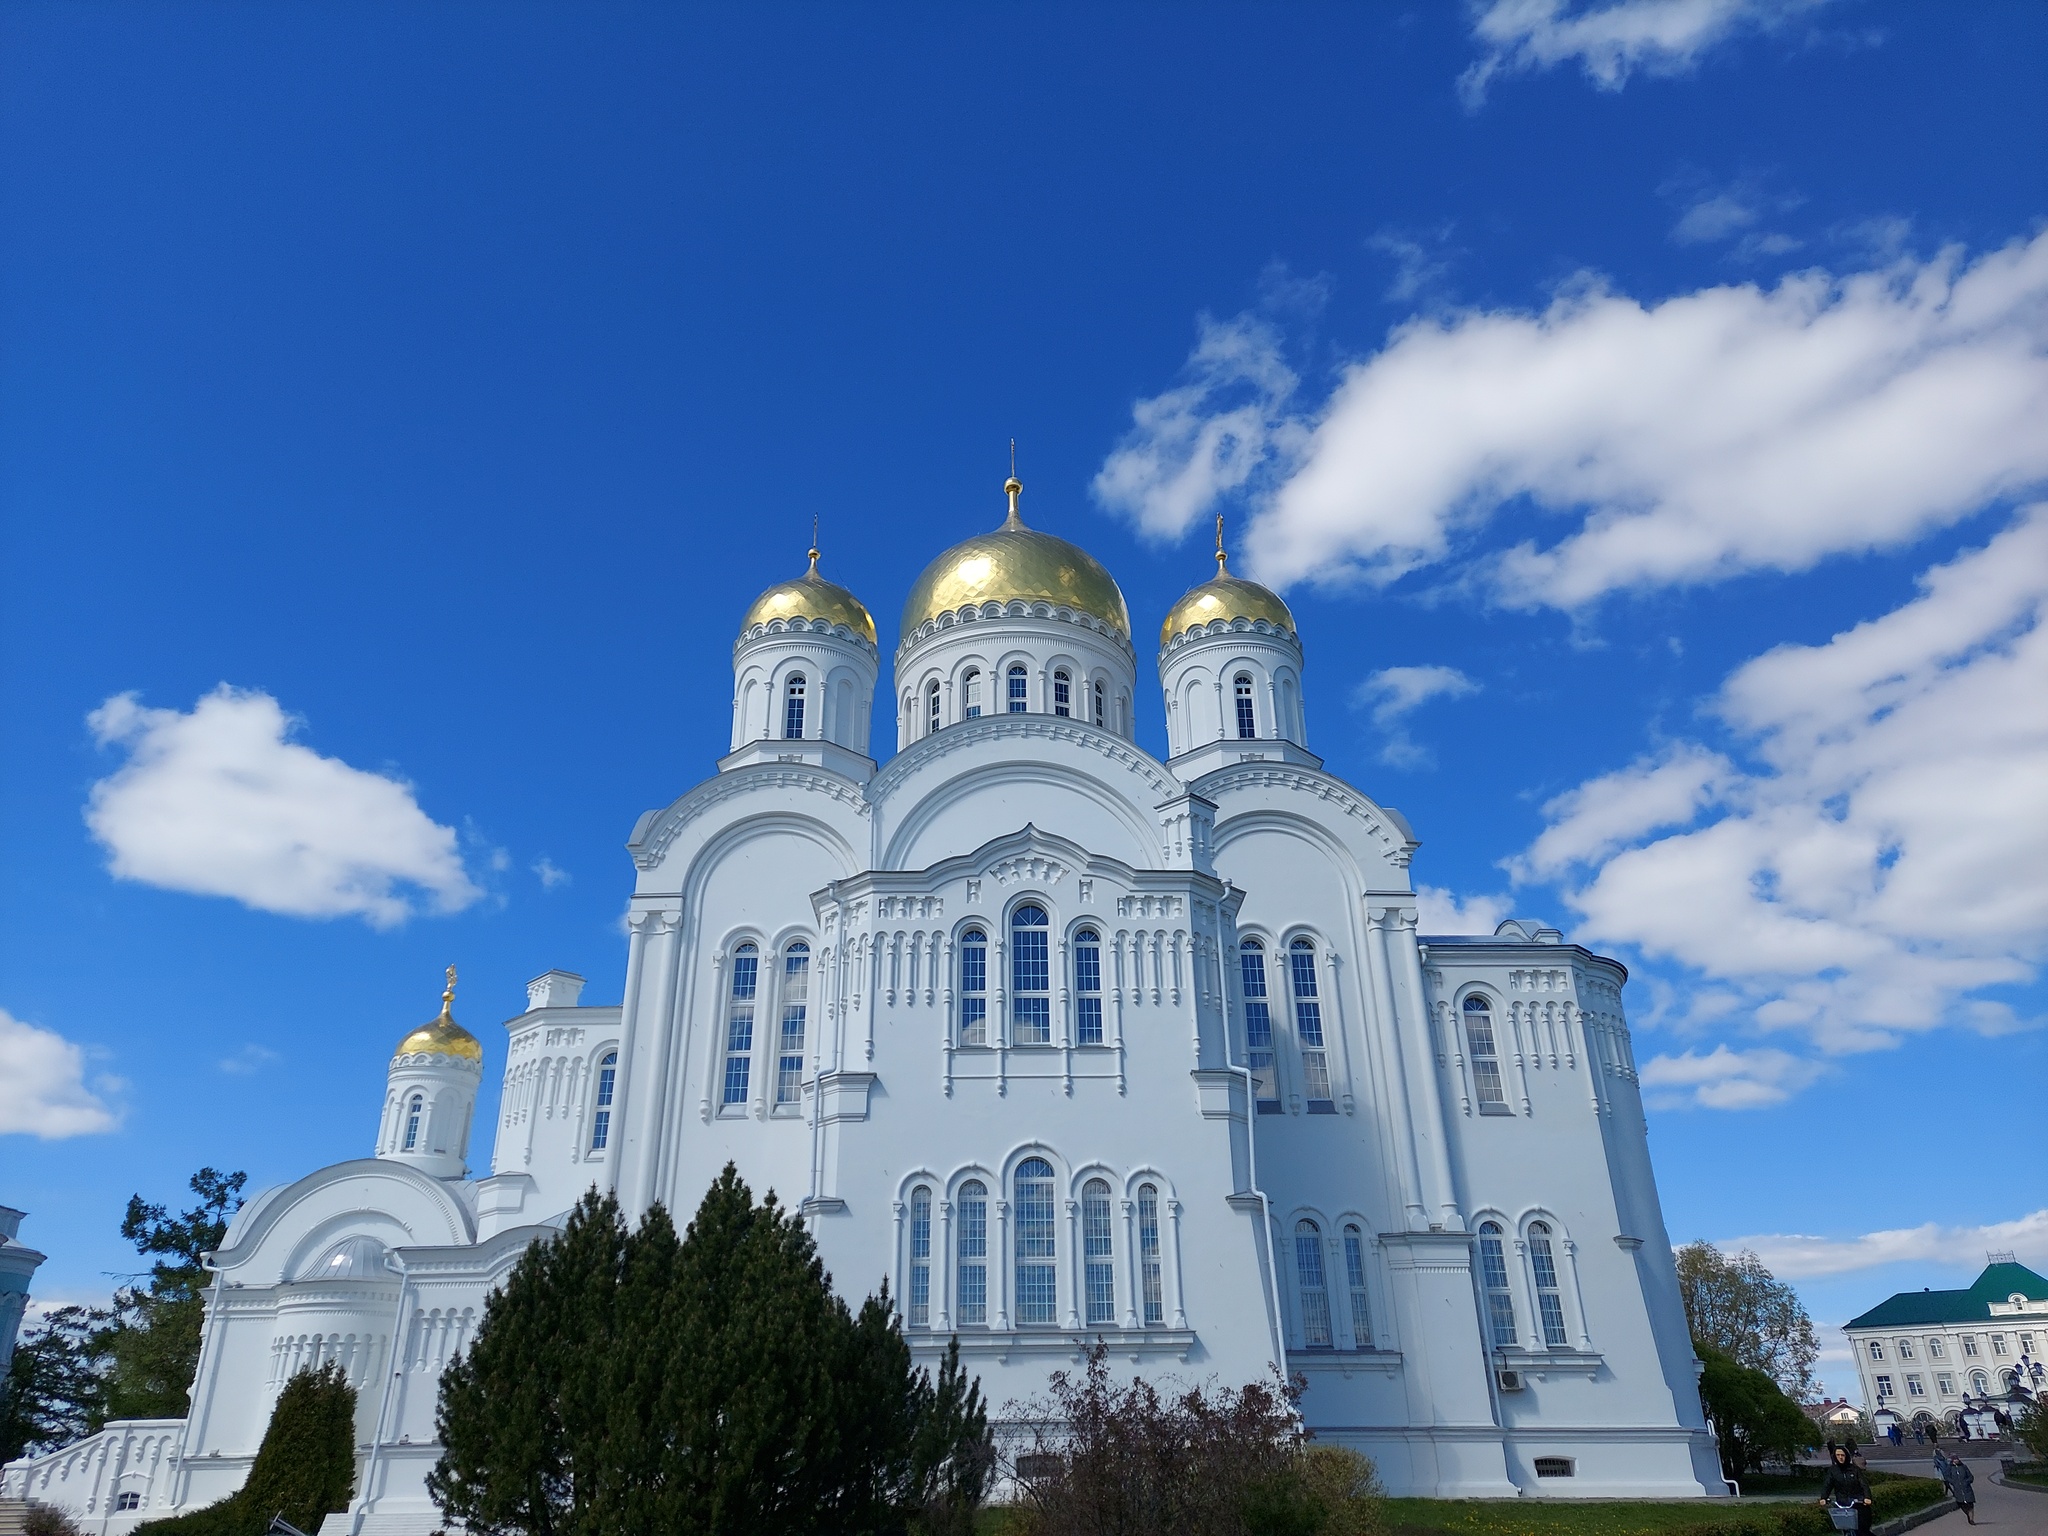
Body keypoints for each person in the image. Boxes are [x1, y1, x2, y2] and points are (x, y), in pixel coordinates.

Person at [1820, 1443, 1875, 1535]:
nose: (1840, 1457)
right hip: (1842, 1503)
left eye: (1842, 1455)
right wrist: (1823, 1498)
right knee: (1846, 1528)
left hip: (1858, 1503)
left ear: (1846, 1456)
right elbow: (1827, 1485)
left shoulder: (1854, 1469)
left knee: (1862, 1531)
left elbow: (1864, 1484)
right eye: (1838, 1455)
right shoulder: (1833, 1471)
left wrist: (1867, 1497)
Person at [1941, 1454, 1977, 1525]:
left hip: (1966, 1488)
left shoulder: (1964, 1467)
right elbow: (1946, 1476)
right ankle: (1968, 1515)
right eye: (1955, 1459)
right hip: (1958, 1489)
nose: (1956, 1460)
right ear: (1952, 1460)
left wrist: (1967, 1481)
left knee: (1970, 1504)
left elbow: (1970, 1476)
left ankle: (1971, 1519)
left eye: (1957, 1459)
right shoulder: (1950, 1468)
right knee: (1961, 1504)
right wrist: (1953, 1482)